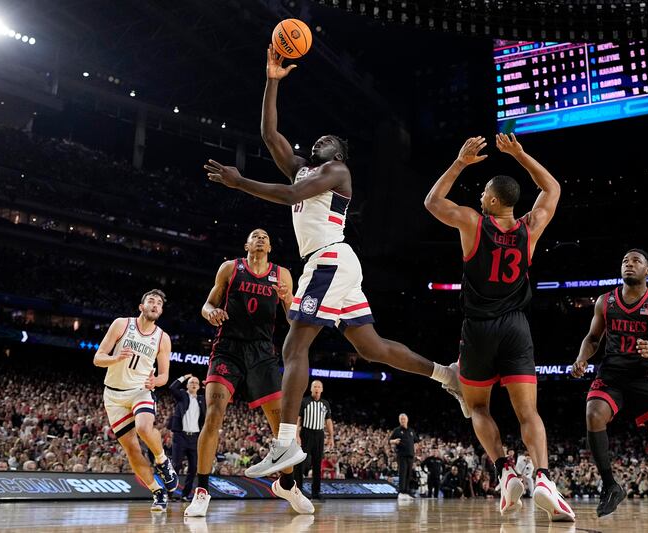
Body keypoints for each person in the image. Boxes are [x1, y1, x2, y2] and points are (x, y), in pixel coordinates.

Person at [202, 45, 467, 479]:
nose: (320, 140)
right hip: (331, 263)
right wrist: (272, 81)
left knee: (293, 346)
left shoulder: (338, 174)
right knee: (372, 348)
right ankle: (447, 375)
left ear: (339, 154)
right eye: (318, 139)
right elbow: (269, 134)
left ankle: (286, 443)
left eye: (329, 140)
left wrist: (240, 182)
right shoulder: (301, 168)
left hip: (330, 259)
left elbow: (291, 195)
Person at [423, 134, 574, 522]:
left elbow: (432, 202)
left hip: (478, 329)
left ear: (492, 200)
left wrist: (459, 163)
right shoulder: (530, 227)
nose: (479, 197)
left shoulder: (473, 223)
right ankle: (543, 477)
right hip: (516, 327)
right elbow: (552, 188)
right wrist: (520, 154)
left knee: (477, 406)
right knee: (528, 413)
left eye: (483, 194)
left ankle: (505, 470)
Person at [185, 229, 313, 516]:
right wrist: (210, 313)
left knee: (281, 426)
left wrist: (288, 299)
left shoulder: (282, 274)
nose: (260, 238)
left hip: (262, 353)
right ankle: (202, 491)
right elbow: (207, 305)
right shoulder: (230, 268)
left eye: (265, 236)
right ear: (247, 244)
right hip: (227, 349)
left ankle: (287, 485)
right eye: (255, 236)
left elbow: (294, 319)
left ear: (270, 247)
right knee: (213, 414)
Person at [572, 249, 648, 520]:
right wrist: (582, 358)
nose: (628, 264)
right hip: (611, 375)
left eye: (636, 261)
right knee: (593, 414)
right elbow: (592, 338)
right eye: (625, 261)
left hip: (643, 377)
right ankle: (610, 486)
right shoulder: (605, 301)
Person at [93, 289, 178, 512]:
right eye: (151, 300)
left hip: (140, 390)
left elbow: (164, 376)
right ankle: (157, 490)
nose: (155, 304)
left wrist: (155, 382)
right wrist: (115, 358)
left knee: (143, 427)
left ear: (160, 311)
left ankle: (162, 460)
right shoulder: (121, 324)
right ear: (142, 306)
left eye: (159, 303)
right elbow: (98, 358)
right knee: (131, 449)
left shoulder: (163, 338)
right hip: (113, 395)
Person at [168, 373, 206, 500]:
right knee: (176, 465)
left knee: (193, 468)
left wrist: (208, 386)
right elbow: (172, 387)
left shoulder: (202, 399)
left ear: (199, 386)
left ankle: (185, 494)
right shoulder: (182, 396)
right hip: (180, 436)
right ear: (187, 386)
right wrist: (183, 377)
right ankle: (169, 494)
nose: (194, 384)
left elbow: (213, 398)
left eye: (196, 383)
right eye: (191, 382)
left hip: (195, 438)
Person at [295, 380, 334, 500]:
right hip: (306, 433)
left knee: (317, 464)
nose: (317, 389)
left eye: (319, 387)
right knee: (300, 462)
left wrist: (331, 437)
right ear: (311, 389)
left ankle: (316, 493)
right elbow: (298, 419)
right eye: (315, 386)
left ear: (322, 389)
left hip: (319, 435)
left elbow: (328, 421)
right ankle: (297, 491)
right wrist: (297, 435)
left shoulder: (325, 403)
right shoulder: (304, 401)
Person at [389, 413, 420, 500]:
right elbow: (389, 440)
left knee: (408, 474)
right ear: (399, 421)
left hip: (410, 455)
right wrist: (394, 441)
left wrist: (415, 447)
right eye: (401, 419)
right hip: (402, 455)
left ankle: (406, 492)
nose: (403, 420)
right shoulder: (397, 430)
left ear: (407, 420)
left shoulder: (411, 431)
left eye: (404, 419)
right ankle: (401, 492)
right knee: (403, 473)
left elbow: (416, 441)